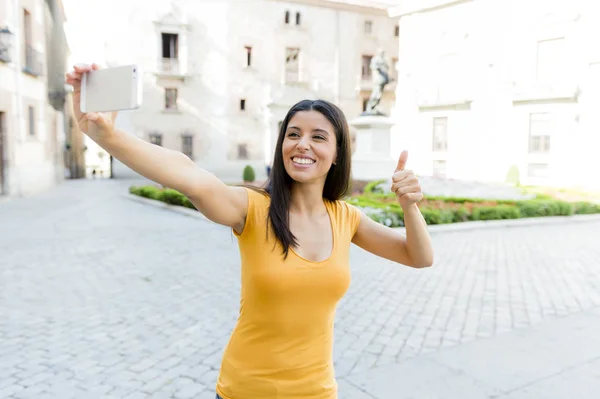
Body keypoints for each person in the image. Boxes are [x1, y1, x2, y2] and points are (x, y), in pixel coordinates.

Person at [66, 64, 434, 399]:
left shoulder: (347, 218)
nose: (302, 144)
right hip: (246, 390)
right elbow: (190, 177)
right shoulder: (252, 208)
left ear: (337, 153)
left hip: (317, 392)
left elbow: (418, 257)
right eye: (293, 134)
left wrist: (409, 206)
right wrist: (109, 139)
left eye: (318, 137)